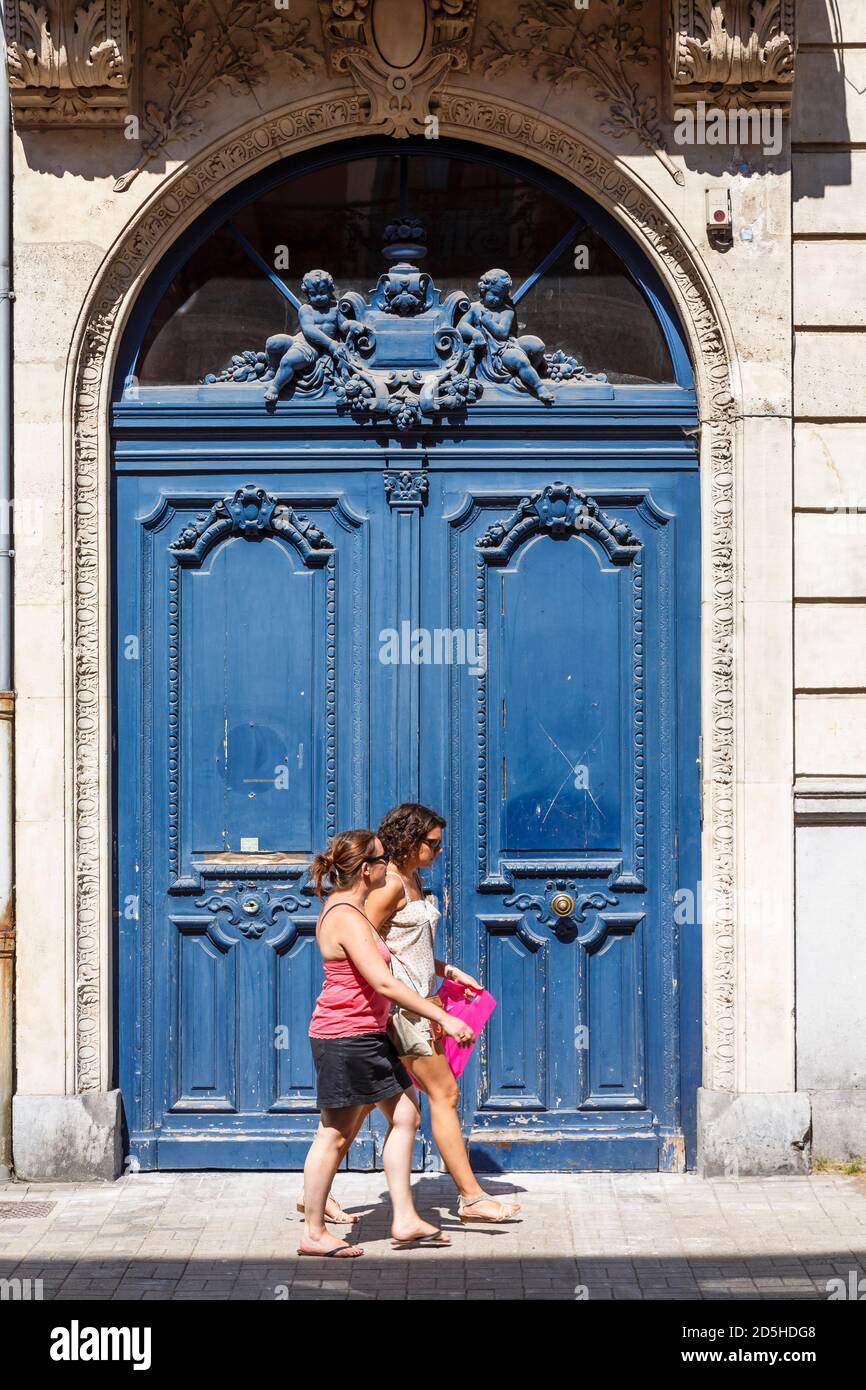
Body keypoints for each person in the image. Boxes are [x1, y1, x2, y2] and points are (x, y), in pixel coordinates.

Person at [298, 828, 475, 1258]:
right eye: (382, 859)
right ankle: (314, 1231)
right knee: (334, 1135)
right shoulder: (342, 914)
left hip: (366, 1033)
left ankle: (405, 1218)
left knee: (406, 1114)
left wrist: (445, 973)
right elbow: (382, 980)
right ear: (366, 870)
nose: (388, 863)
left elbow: (392, 962)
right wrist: (443, 1018)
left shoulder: (353, 910)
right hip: (345, 1036)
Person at [364, 803, 521, 1224]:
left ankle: (315, 1193)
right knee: (444, 1094)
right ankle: (471, 1197)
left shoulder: (414, 879)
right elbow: (364, 948)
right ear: (409, 841)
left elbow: (406, 949)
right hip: (402, 1010)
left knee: (357, 1107)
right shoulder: (389, 886)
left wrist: (446, 970)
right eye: (432, 844)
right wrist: (397, 998)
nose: (438, 851)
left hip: (420, 1003)